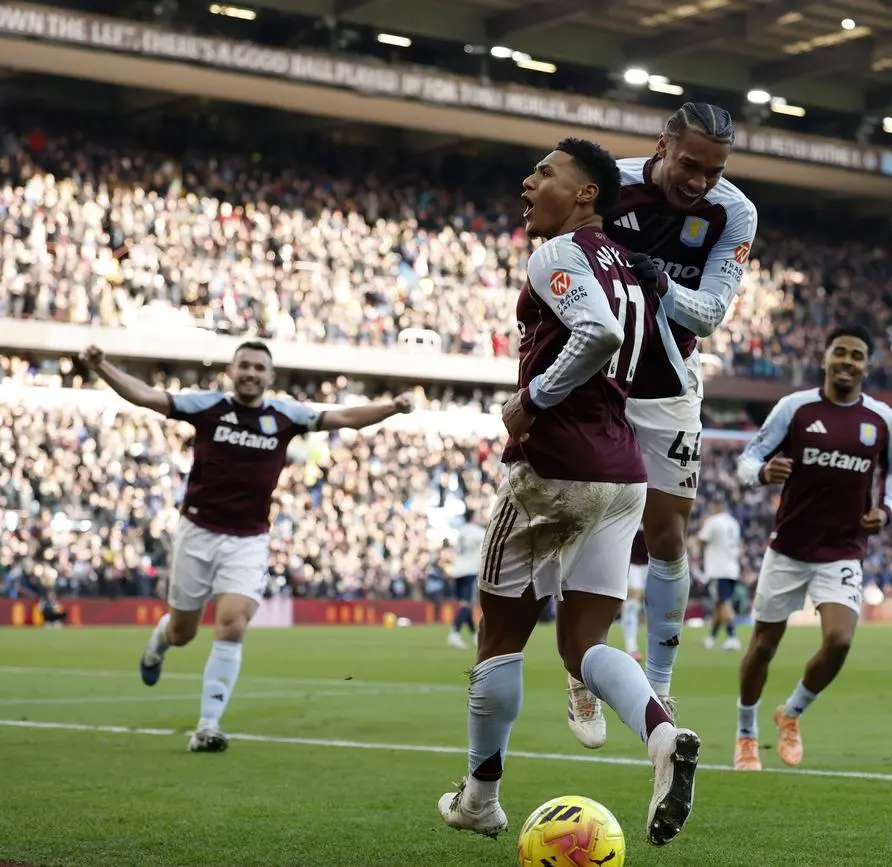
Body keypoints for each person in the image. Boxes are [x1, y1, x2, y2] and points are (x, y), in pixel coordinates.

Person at [436, 138, 700, 848]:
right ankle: (662, 735)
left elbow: (599, 332)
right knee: (584, 640)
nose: (528, 182)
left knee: (499, 636)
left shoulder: (559, 252)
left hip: (553, 466)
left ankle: (481, 798)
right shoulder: (627, 266)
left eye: (544, 172)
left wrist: (534, 398)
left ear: (586, 194)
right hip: (622, 474)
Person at [78, 342, 412, 752]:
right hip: (197, 532)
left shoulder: (286, 415)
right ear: (231, 371)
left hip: (249, 538)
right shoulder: (207, 406)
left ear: (270, 377)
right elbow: (147, 396)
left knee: (233, 622)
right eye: (245, 366)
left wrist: (392, 407)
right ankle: (159, 643)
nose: (252, 373)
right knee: (183, 631)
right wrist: (101, 366)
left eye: (260, 367)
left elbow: (343, 416)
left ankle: (207, 726)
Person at [567, 101, 759, 744]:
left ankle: (660, 683)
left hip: (672, 379)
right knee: (592, 521)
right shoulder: (607, 186)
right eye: (689, 164)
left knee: (669, 535)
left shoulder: (733, 212)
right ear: (663, 145)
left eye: (714, 169)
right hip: (600, 378)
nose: (700, 181)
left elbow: (708, 314)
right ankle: (582, 670)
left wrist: (660, 287)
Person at [730, 324, 892, 771]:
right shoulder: (796, 408)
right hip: (788, 548)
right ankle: (746, 734)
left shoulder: (883, 420)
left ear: (867, 365)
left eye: (857, 355)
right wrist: (762, 473)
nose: (848, 361)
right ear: (825, 358)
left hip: (843, 549)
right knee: (764, 645)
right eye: (840, 352)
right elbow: (748, 457)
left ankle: (791, 712)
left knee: (840, 640)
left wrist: (885, 509)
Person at [694, 497, 743, 651]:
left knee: (725, 602)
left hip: (718, 569)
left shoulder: (713, 521)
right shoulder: (733, 523)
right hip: (732, 568)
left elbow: (701, 540)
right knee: (719, 604)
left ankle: (732, 636)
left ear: (715, 507)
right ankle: (712, 637)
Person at [447, 509, 486, 649]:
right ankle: (454, 634)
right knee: (465, 605)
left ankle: (475, 636)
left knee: (465, 605)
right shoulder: (478, 532)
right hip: (469, 571)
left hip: (457, 570)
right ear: (472, 517)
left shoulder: (461, 531)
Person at [621, 531, 648, 660]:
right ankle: (631, 648)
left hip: (654, 562)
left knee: (654, 605)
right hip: (633, 563)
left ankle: (663, 647)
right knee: (632, 603)